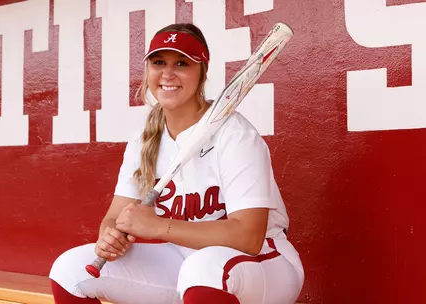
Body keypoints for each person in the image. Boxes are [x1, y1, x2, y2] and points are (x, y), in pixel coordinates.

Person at [49, 23, 304, 304]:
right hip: (184, 261)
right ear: (147, 71)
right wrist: (110, 236)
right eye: (158, 62)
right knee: (69, 271)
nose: (167, 74)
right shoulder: (143, 139)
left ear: (202, 72)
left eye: (182, 63)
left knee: (204, 270)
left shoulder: (234, 134)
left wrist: (158, 226)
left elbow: (248, 236)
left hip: (262, 262)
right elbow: (116, 215)